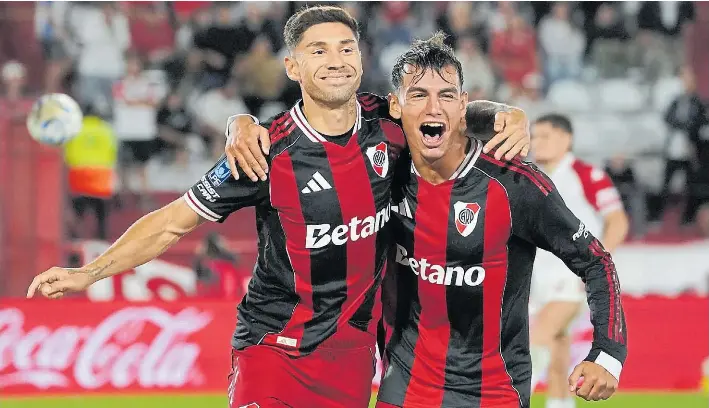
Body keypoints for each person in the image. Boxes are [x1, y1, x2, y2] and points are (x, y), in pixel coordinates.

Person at [26, 6, 530, 408]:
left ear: (360, 58)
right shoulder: (265, 150)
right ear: (293, 67)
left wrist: (505, 114)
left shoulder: (389, 123)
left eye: (346, 48)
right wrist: (89, 273)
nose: (336, 59)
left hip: (354, 358)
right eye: (318, 50)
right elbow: (170, 224)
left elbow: (446, 111)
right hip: (274, 349)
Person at [370, 35, 627, 408]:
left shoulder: (513, 183)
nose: (433, 107)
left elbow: (596, 261)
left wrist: (608, 354)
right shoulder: (382, 165)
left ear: (463, 105)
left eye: (446, 96)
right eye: (419, 95)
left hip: (492, 392)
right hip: (404, 387)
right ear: (396, 105)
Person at [528, 114, 629, 408]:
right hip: (540, 279)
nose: (537, 143)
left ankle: (505, 399)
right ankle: (560, 403)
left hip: (571, 278)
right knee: (558, 352)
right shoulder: (533, 176)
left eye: (545, 136)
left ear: (565, 139)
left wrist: (595, 266)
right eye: (534, 137)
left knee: (536, 340)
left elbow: (618, 221)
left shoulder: (586, 174)